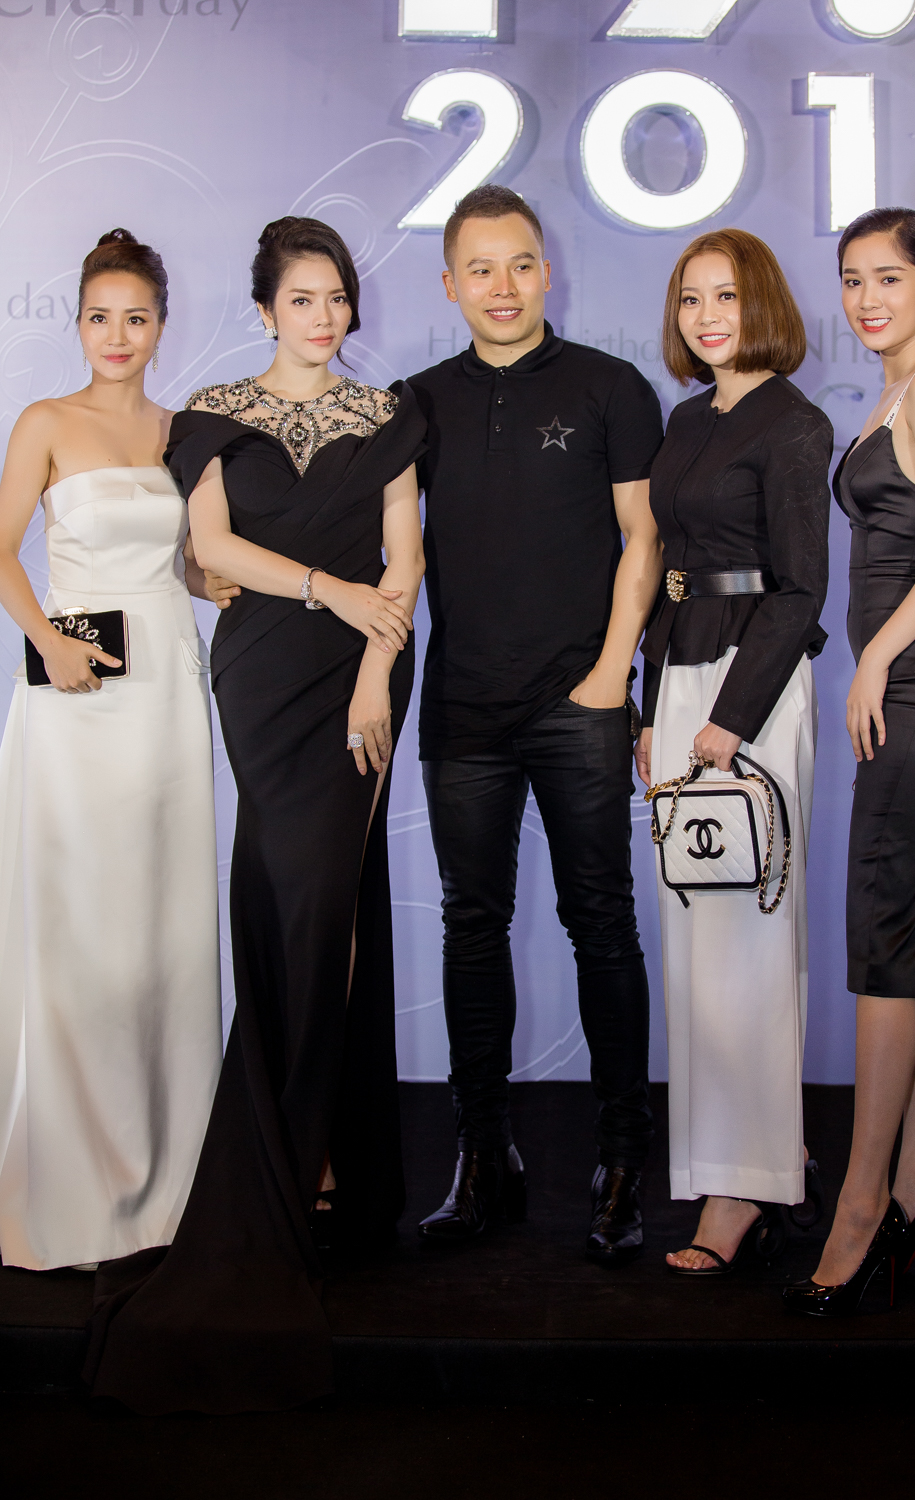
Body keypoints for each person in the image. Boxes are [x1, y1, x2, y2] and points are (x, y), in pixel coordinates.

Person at [85, 216, 426, 1412]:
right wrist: (330, 590)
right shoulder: (214, 413)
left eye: (336, 298)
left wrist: (378, 667)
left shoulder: (389, 416)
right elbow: (213, 544)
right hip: (265, 673)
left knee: (330, 904)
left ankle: (313, 1144)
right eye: (301, 300)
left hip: (360, 679)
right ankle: (293, 1148)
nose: (323, 318)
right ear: (266, 309)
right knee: (290, 901)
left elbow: (404, 561)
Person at [409, 184, 664, 1264]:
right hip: (462, 709)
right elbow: (381, 546)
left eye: (520, 264)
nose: (502, 287)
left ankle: (621, 1159)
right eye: (480, 268)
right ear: (450, 284)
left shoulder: (611, 387)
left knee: (600, 924)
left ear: (547, 270)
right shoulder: (415, 403)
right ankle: (484, 1156)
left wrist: (611, 675)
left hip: (578, 702)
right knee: (470, 929)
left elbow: (645, 538)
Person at [0, 230, 223, 1272]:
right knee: (81, 920)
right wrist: (48, 640)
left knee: (159, 923)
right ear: (79, 324)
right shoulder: (45, 421)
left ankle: (165, 1171)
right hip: (76, 695)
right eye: (101, 317)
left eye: (136, 318)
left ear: (161, 327)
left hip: (166, 690)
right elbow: (1, 550)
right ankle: (75, 1172)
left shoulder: (183, 431)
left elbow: (189, 565)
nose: (118, 335)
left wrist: (238, 588)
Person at [784, 209, 915, 1317]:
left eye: (889, 279)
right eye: (852, 280)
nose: (867, 299)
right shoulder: (897, 390)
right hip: (910, 680)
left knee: (885, 939)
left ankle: (861, 1211)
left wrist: (876, 660)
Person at [634, 229, 832, 1275]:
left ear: (763, 305)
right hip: (679, 685)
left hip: (750, 694)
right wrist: (648, 711)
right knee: (695, 944)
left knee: (749, 938)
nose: (707, 317)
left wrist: (732, 719)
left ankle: (743, 1190)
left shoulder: (795, 423)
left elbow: (801, 589)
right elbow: (670, 568)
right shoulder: (685, 418)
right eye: (690, 299)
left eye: (726, 296)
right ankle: (748, 1157)